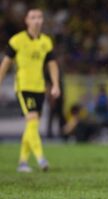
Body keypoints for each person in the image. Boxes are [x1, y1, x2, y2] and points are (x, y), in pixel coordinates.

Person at [0, 9, 60, 172]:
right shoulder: (17, 40)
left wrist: (55, 84)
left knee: (31, 125)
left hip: (39, 88)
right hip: (23, 87)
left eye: (39, 17)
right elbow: (6, 63)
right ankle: (41, 159)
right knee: (33, 119)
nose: (37, 20)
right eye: (33, 17)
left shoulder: (46, 41)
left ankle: (22, 162)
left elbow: (52, 64)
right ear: (26, 21)